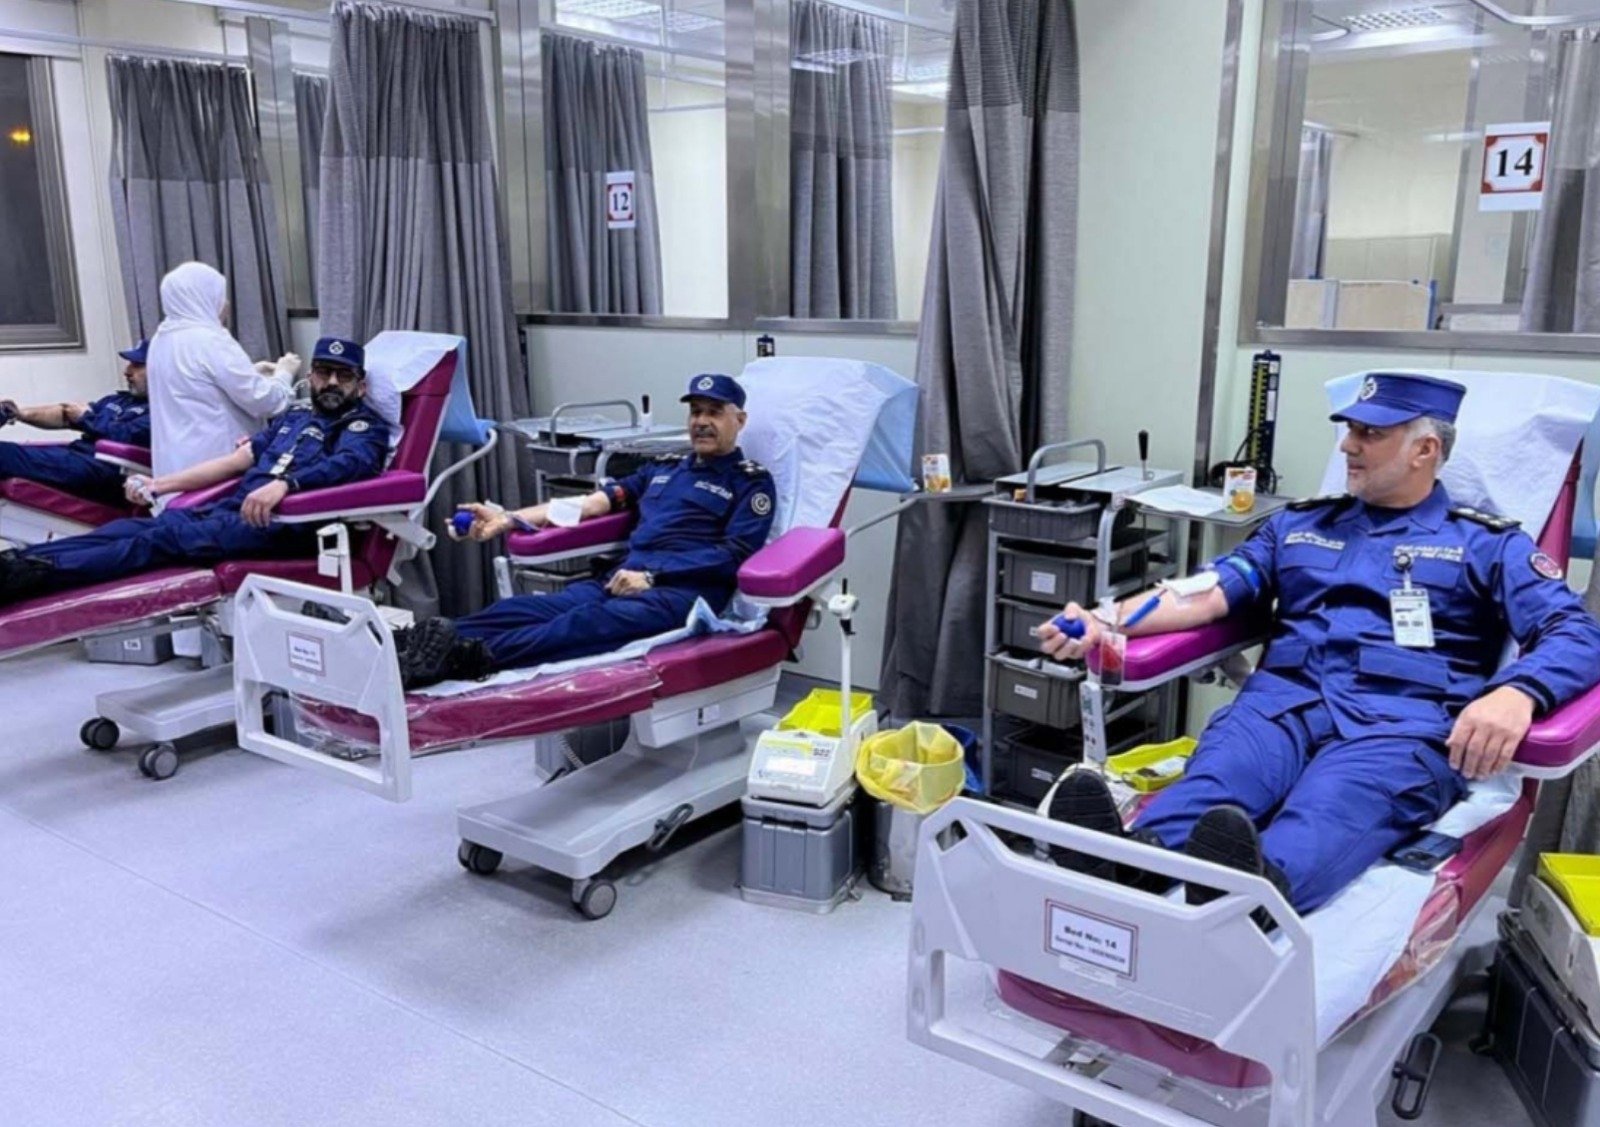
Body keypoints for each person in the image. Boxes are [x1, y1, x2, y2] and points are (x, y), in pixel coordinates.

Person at [1038, 373, 1600, 916]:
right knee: (1220, 779)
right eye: (1350, 429)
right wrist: (1104, 619)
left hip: (1399, 729)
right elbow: (1208, 592)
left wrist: (1519, 692)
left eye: (1370, 434)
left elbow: (1577, 632)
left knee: (1330, 809)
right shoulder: (1299, 526)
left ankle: (1248, 900)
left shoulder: (1487, 544)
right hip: (1280, 708)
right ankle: (1125, 864)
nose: (1348, 446)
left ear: (1425, 450)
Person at [398, 373, 777, 690]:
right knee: (524, 608)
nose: (701, 421)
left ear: (739, 420)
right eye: (696, 412)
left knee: (579, 626)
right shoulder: (663, 469)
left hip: (678, 594)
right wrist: (508, 518)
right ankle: (412, 643)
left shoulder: (750, 483)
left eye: (714, 412)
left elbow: (733, 555)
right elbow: (591, 503)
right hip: (619, 579)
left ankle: (465, 658)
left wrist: (652, 577)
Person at [0, 338, 386, 607]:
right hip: (231, 511)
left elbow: (350, 464)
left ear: (361, 386)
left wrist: (287, 484)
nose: (331, 383)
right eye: (324, 372)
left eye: (344, 375)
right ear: (311, 376)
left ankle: (38, 576)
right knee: (133, 528)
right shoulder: (294, 417)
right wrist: (159, 484)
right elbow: (233, 463)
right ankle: (19, 564)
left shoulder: (363, 428)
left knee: (157, 541)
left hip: (283, 527)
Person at [145, 261, 298, 483]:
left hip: (175, 465)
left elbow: (196, 383)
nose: (225, 304)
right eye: (219, 296)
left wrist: (251, 371)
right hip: (215, 464)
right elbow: (264, 401)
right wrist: (284, 374)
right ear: (202, 297)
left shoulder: (162, 338)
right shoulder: (211, 339)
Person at [0, 340, 153, 506]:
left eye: (137, 365)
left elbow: (126, 435)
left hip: (100, 470)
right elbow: (66, 415)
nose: (127, 371)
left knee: (5, 455)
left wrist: (86, 418)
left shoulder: (161, 412)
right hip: (76, 458)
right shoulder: (118, 400)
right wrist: (20, 414)